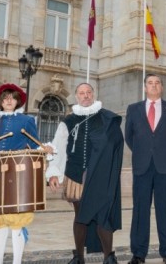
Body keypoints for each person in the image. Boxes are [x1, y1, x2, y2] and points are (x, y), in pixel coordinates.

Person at [0, 83, 49, 264]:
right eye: (5, 98)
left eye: (12, 97)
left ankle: (17, 262)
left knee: (17, 221)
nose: (9, 101)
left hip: (17, 176)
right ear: (0, 102)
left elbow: (35, 146)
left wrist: (46, 149)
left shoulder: (27, 121)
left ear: (18, 101)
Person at [45, 82, 124, 264]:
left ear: (93, 95)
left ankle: (108, 257)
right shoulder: (68, 121)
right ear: (76, 97)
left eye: (89, 92)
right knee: (80, 216)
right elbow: (58, 147)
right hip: (76, 174)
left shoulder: (106, 118)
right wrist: (54, 173)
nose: (86, 95)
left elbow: (116, 145)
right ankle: (79, 257)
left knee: (103, 215)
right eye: (82, 93)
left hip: (101, 176)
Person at [125, 74, 166, 264]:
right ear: (144, 87)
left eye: (157, 83)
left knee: (165, 210)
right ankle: (138, 253)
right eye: (150, 83)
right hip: (142, 167)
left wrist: (161, 151)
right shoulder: (133, 109)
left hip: (165, 167)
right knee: (140, 210)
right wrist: (145, 152)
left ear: (162, 87)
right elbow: (129, 137)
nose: (154, 86)